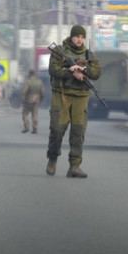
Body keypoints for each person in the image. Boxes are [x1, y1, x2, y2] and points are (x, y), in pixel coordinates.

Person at [46, 24, 101, 178]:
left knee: (78, 131)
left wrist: (84, 70)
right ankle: (52, 158)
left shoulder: (89, 55)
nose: (79, 40)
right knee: (57, 129)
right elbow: (53, 69)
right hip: (61, 94)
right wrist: (72, 74)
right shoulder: (59, 51)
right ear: (71, 36)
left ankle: (74, 166)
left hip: (81, 97)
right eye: (77, 36)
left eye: (82, 37)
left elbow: (97, 73)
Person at [19, 68, 45, 134]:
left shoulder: (28, 81)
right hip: (37, 100)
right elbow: (42, 92)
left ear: (29, 74)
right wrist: (41, 100)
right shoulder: (39, 81)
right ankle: (35, 128)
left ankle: (26, 127)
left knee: (25, 114)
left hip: (28, 100)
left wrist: (21, 100)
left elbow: (23, 91)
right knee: (35, 114)